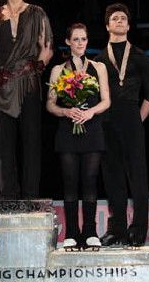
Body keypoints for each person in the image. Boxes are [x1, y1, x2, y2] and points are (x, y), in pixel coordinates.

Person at [0, 0, 53, 200]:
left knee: (31, 142)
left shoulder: (36, 12)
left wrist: (37, 68)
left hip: (29, 83)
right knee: (4, 145)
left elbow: (46, 47)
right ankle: (8, 197)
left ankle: (31, 197)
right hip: (2, 85)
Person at [96, 3, 149, 247]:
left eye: (123, 18)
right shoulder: (99, 60)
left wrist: (136, 120)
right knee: (112, 178)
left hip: (132, 121)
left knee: (137, 177)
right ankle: (117, 229)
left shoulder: (140, 56)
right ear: (108, 25)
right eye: (115, 18)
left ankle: (138, 231)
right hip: (106, 124)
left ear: (129, 25)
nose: (119, 21)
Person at [47, 23, 110, 250]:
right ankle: (72, 232)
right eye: (76, 39)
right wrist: (66, 111)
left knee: (90, 181)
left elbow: (106, 100)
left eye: (83, 39)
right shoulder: (57, 70)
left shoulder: (98, 67)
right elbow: (50, 104)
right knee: (70, 182)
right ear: (68, 42)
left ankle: (91, 231)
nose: (80, 43)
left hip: (92, 130)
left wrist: (90, 112)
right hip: (67, 132)